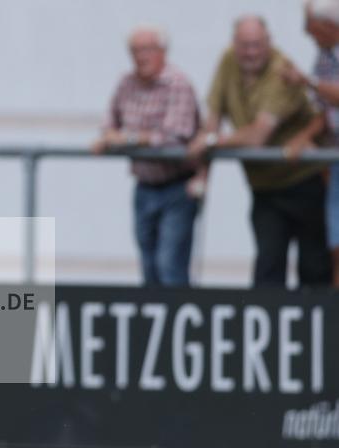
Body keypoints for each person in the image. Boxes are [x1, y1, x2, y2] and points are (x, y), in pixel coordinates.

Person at [188, 15, 333, 287]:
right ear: (234, 43)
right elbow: (213, 117)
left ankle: (315, 329)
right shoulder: (228, 60)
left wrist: (210, 142)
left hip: (303, 182)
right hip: (263, 187)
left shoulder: (282, 69)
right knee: (268, 265)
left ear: (268, 42)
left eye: (257, 45)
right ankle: (270, 328)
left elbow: (257, 135)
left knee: (313, 266)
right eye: (245, 45)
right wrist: (203, 173)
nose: (251, 52)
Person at [93, 25, 203, 287]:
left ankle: (179, 322)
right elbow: (109, 124)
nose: (141, 56)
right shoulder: (126, 83)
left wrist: (129, 139)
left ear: (162, 51)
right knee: (149, 264)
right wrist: (110, 138)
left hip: (178, 186)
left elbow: (175, 136)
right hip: (144, 186)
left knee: (170, 264)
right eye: (135, 50)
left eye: (147, 49)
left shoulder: (178, 83)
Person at [281, 0, 339, 286]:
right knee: (336, 245)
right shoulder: (325, 56)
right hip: (336, 160)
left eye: (311, 26)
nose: (306, 32)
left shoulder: (317, 70)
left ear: (330, 26)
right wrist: (302, 138)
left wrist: (307, 81)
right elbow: (324, 113)